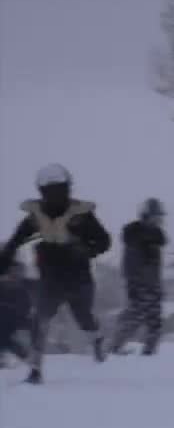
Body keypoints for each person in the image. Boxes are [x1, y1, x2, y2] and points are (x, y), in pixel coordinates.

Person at [0, 164, 111, 384]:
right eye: (50, 192)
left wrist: (86, 250)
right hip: (50, 277)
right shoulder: (35, 217)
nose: (55, 196)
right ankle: (35, 370)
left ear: (67, 189)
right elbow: (14, 243)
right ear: (42, 192)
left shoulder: (82, 215)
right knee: (40, 320)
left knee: (84, 318)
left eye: (60, 190)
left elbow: (104, 240)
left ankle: (96, 339)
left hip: (79, 276)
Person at [109, 198, 167, 356]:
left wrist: (157, 285)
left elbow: (156, 266)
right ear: (146, 215)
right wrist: (133, 284)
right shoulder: (135, 236)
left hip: (153, 284)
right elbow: (130, 264)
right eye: (156, 216)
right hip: (139, 284)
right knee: (134, 316)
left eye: (160, 217)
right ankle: (115, 347)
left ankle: (150, 352)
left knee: (155, 320)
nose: (159, 220)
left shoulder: (155, 237)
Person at [0, 259, 35, 367]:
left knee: (4, 336)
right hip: (6, 317)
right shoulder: (3, 285)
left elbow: (26, 307)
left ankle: (22, 354)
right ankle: (21, 354)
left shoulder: (22, 288)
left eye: (17, 271)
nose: (14, 274)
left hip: (14, 318)